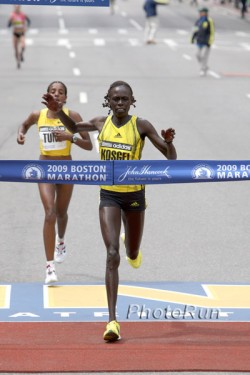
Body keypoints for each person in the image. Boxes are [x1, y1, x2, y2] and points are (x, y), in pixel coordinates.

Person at [42, 80, 177, 342]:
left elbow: (170, 158)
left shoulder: (141, 125)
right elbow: (74, 128)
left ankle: (132, 248)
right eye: (115, 99)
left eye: (124, 99)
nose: (120, 104)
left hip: (135, 197)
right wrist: (58, 112)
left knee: (131, 253)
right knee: (112, 253)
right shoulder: (100, 123)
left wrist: (169, 142)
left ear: (132, 101)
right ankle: (112, 320)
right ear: (108, 101)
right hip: (109, 196)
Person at [17, 81, 93, 285]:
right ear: (46, 95)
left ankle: (61, 241)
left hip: (66, 167)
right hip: (45, 167)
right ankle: (49, 266)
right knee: (49, 212)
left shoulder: (73, 116)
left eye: (60, 92)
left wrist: (71, 137)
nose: (56, 94)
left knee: (61, 212)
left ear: (65, 98)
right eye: (52, 91)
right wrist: (21, 133)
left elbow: (88, 145)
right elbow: (24, 124)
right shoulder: (37, 115)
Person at [191, 7, 215, 76]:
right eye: (200, 12)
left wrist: (210, 41)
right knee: (197, 55)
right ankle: (205, 66)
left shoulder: (209, 20)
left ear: (206, 13)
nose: (200, 13)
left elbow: (212, 31)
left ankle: (202, 69)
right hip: (199, 40)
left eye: (202, 12)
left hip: (207, 41)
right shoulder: (198, 21)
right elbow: (195, 30)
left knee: (205, 56)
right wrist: (192, 38)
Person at [7, 5, 31, 69]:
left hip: (22, 33)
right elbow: (8, 24)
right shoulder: (12, 15)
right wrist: (11, 23)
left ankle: (21, 54)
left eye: (18, 8)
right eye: (15, 8)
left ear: (20, 8)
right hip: (15, 33)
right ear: (14, 8)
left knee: (23, 46)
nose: (16, 9)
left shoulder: (23, 14)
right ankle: (18, 62)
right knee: (16, 49)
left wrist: (26, 27)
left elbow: (29, 21)